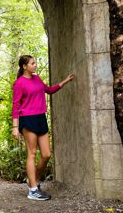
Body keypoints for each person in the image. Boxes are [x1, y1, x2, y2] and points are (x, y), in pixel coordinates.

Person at [11, 55, 75, 201]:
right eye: (33, 63)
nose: (35, 65)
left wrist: (65, 81)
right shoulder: (19, 83)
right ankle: (33, 190)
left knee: (46, 154)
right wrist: (15, 127)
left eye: (35, 63)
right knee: (32, 153)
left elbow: (49, 90)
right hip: (28, 119)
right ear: (24, 66)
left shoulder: (37, 78)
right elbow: (15, 105)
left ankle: (33, 180)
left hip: (40, 118)